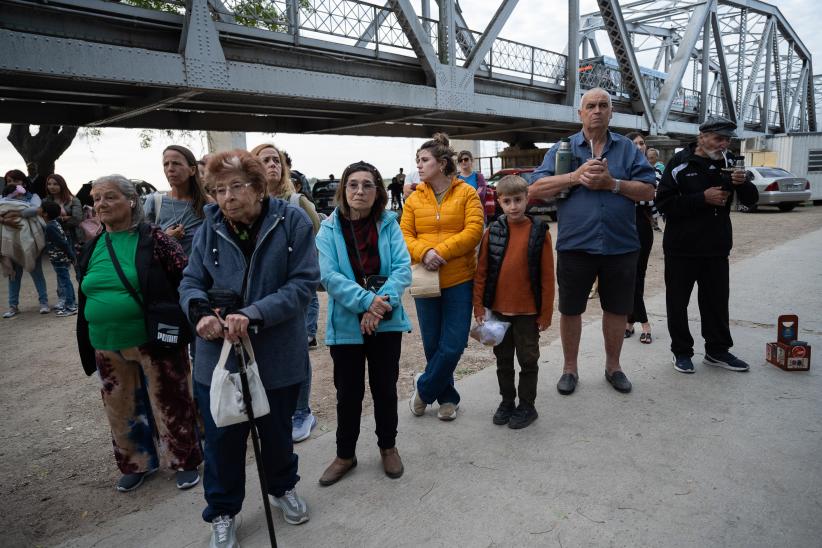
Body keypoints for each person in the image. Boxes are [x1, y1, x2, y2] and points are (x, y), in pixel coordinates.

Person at [179, 150, 319, 543]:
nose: (226, 197)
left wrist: (255, 312)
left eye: (236, 186)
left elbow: (304, 283)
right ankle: (222, 512)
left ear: (259, 188)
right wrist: (201, 312)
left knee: (275, 432)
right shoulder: (207, 228)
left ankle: (282, 488)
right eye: (218, 189)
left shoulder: (290, 221)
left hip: (275, 351)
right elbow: (190, 281)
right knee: (222, 439)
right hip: (219, 355)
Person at [75, 175, 202, 493]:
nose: (100, 204)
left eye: (109, 197)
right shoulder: (93, 246)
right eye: (96, 198)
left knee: (170, 401)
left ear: (131, 201)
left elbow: (185, 278)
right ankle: (137, 463)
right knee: (120, 406)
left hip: (154, 340)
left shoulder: (155, 238)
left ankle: (184, 460)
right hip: (106, 342)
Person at [528, 87, 656, 395]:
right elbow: (534, 188)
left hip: (620, 245)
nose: (597, 110)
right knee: (571, 309)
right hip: (575, 245)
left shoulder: (626, 149)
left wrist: (612, 184)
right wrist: (575, 176)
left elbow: (649, 190)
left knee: (616, 309)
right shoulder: (563, 148)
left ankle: (614, 367)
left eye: (603, 105)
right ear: (580, 113)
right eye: (591, 106)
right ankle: (569, 369)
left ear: (611, 112)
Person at [315, 161, 412, 486]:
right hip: (346, 325)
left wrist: (377, 307)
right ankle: (346, 454)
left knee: (385, 389)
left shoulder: (389, 224)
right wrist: (367, 301)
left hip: (385, 322)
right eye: (353, 184)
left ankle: (388, 447)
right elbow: (330, 277)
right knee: (348, 393)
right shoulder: (327, 230)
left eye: (367, 185)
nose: (359, 191)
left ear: (377, 191)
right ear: (343, 189)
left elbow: (402, 270)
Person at [656, 115, 758, 374]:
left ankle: (717, 351)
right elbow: (664, 204)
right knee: (677, 302)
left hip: (716, 248)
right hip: (681, 249)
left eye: (727, 139)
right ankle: (681, 352)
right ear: (702, 137)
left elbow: (751, 201)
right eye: (719, 138)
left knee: (716, 302)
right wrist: (702, 198)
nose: (724, 144)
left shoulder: (731, 163)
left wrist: (743, 183)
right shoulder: (679, 164)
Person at [400, 132, 484, 421]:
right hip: (424, 278)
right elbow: (404, 235)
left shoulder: (466, 193)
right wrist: (424, 253)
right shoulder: (413, 199)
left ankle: (423, 388)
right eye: (418, 161)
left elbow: (474, 230)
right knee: (433, 344)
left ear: (442, 163)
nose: (419, 166)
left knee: (454, 343)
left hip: (458, 278)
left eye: (424, 160)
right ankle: (448, 398)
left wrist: (441, 251)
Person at [251, 143, 321, 444]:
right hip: (259, 294)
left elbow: (316, 236)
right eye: (264, 160)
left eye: (275, 160)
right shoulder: (246, 205)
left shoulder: (296, 201)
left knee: (296, 353)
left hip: (293, 293)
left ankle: (300, 411)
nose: (272, 165)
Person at [473, 175, 555, 429]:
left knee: (528, 360)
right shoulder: (493, 231)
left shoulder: (540, 232)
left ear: (527, 199)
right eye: (507, 201)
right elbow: (482, 271)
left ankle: (527, 406)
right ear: (499, 202)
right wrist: (478, 305)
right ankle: (507, 401)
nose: (513, 206)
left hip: (528, 313)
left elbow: (547, 277)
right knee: (503, 360)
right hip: (498, 312)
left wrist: (546, 313)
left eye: (518, 200)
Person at [144, 145, 208, 257]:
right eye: (166, 164)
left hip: (199, 272)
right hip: (165, 272)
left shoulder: (207, 203)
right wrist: (166, 238)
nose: (170, 169)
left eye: (176, 163)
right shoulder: (155, 202)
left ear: (192, 170)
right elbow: (142, 243)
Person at [2, 169, 49, 317]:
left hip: (30, 239)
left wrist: (16, 213)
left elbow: (37, 210)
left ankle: (44, 302)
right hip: (11, 239)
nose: (12, 184)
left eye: (16, 180)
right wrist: (4, 219)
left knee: (36, 272)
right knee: (13, 274)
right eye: (9, 181)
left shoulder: (33, 196)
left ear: (23, 182)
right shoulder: (3, 198)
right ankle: (13, 306)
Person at [623, 132, 656, 344]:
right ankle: (630, 321)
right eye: (634, 143)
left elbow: (650, 200)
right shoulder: (623, 170)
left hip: (642, 225)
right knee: (629, 277)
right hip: (623, 226)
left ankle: (643, 324)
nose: (638, 146)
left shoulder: (653, 171)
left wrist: (626, 190)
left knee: (637, 276)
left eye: (641, 143)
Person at [40, 201, 77, 317]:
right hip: (62, 258)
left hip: (59, 259)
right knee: (66, 281)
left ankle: (70, 306)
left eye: (41, 209)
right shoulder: (55, 223)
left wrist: (71, 255)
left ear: (45, 214)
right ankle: (72, 304)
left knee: (65, 282)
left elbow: (62, 243)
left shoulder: (50, 226)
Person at [42, 174, 83, 252]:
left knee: (75, 261)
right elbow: (43, 219)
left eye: (55, 184)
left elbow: (77, 219)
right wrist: (64, 218)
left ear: (62, 185)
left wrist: (55, 223)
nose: (51, 187)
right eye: (49, 184)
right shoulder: (45, 201)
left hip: (72, 236)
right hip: (53, 237)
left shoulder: (73, 200)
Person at [456, 151, 488, 215]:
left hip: (477, 213)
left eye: (466, 159)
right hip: (460, 215)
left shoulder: (479, 176)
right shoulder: (456, 178)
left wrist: (462, 198)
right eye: (460, 160)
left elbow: (481, 195)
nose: (463, 162)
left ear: (471, 160)